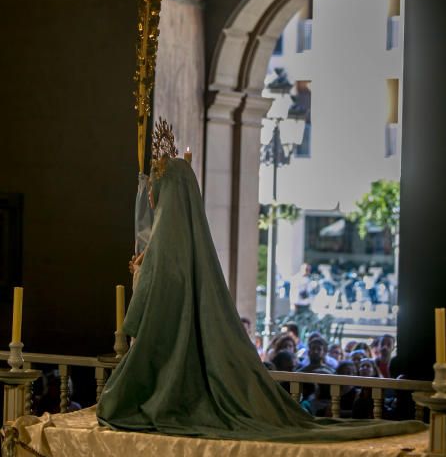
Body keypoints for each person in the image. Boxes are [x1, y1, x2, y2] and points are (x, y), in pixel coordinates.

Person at [97, 156, 424, 442]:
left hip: (170, 376)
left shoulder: (167, 251)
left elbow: (148, 314)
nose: (152, 195)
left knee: (116, 403)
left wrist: (141, 274)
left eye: (157, 186)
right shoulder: (190, 249)